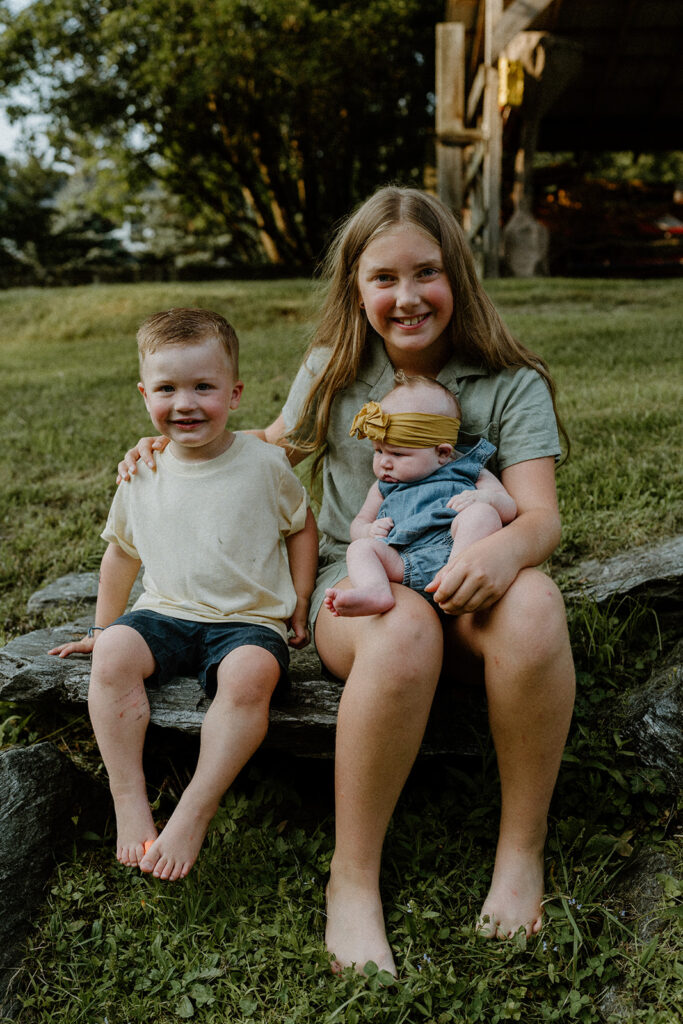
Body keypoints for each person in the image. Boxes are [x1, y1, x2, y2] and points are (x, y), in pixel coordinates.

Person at [118, 187, 576, 975]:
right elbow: (266, 446)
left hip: (470, 583)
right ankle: (352, 878)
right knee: (399, 627)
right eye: (382, 279)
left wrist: (502, 554)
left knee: (535, 605)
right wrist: (166, 446)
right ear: (356, 289)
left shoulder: (507, 380)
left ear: (456, 276)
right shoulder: (335, 370)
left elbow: (537, 518)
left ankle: (519, 850)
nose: (405, 297)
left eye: (425, 272)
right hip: (359, 581)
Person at [50, 308, 318, 883]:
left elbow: (301, 525)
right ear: (145, 394)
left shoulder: (264, 464)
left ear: (235, 393)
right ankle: (130, 799)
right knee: (115, 656)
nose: (186, 403)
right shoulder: (141, 471)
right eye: (167, 389)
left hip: (248, 622)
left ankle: (196, 806)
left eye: (204, 387)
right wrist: (101, 630)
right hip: (165, 613)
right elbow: (120, 554)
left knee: (249, 677)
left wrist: (300, 597)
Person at [324, 372, 517, 617]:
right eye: (378, 451)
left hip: (457, 550)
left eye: (398, 454)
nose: (384, 463)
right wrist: (368, 531)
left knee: (482, 514)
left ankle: (453, 574)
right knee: (359, 549)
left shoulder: (468, 471)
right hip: (402, 560)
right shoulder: (383, 486)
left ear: (443, 453)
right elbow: (359, 523)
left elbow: (508, 507)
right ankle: (375, 590)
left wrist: (483, 499)